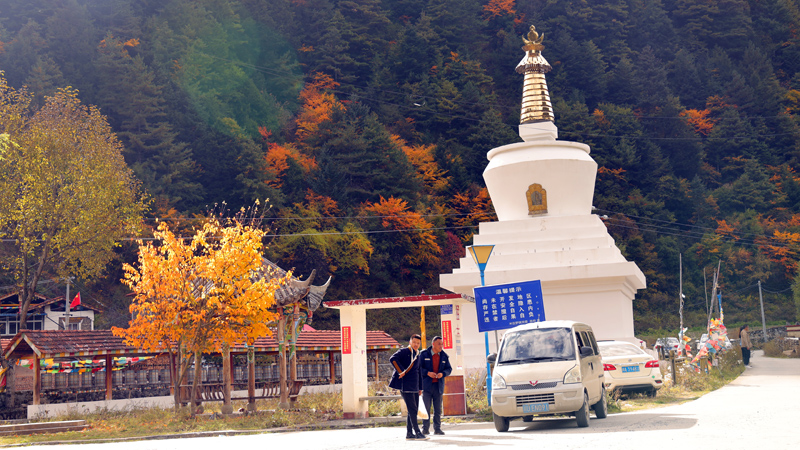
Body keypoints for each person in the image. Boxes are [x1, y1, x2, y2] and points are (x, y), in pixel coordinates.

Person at [389, 334, 427, 440]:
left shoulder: (417, 355)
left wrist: (420, 388)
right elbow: (393, 359)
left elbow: (418, 372)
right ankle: (418, 432)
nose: (416, 344)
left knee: (412, 411)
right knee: (413, 410)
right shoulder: (404, 351)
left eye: (418, 343)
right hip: (405, 386)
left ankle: (409, 434)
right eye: (414, 342)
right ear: (410, 342)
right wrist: (401, 371)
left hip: (415, 386)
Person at [419, 336, 452, 436]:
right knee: (426, 409)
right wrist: (427, 373)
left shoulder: (444, 356)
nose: (441, 346)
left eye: (442, 344)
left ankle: (437, 429)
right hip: (426, 386)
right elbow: (418, 368)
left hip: (438, 386)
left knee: (438, 409)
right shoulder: (424, 354)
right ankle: (425, 429)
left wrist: (443, 374)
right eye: (439, 344)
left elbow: (449, 369)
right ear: (433, 344)